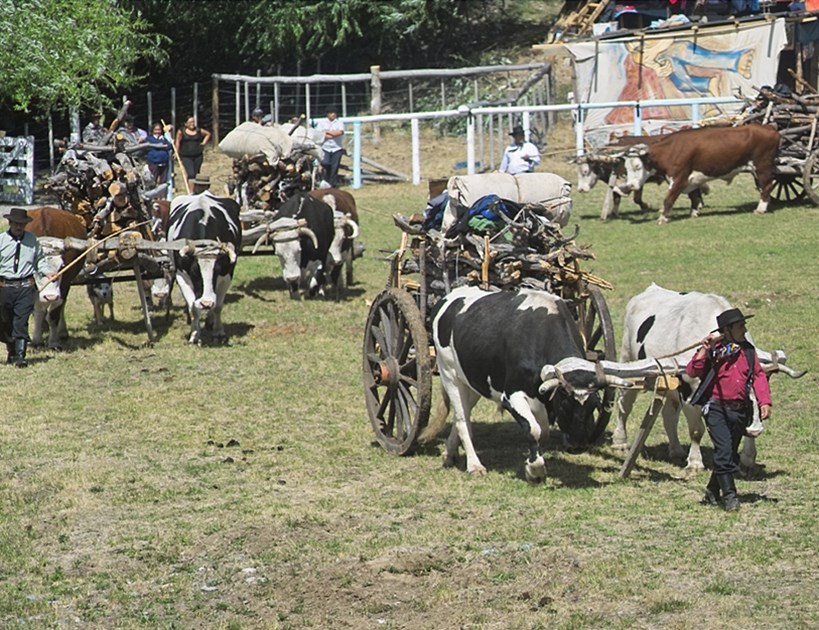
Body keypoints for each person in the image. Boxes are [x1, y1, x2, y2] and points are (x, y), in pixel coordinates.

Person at [686, 308, 772, 512]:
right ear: (727, 330)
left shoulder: (749, 351)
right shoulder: (714, 351)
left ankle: (712, 491)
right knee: (724, 451)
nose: (744, 329)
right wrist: (704, 349)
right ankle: (730, 497)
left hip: (740, 410)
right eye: (740, 326)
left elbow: (758, 375)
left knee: (729, 453)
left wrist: (764, 401)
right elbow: (692, 370)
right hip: (716, 408)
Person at [0, 208, 58, 368]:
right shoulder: (1, 240)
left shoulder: (32, 240)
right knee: (5, 321)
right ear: (10, 223)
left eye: (22, 224)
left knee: (21, 320)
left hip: (25, 287)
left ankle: (20, 357)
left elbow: (39, 260)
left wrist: (48, 273)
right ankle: (11, 350)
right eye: (16, 224)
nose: (19, 227)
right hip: (5, 287)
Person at [175, 115, 211, 193]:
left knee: (196, 173)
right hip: (186, 156)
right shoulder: (181, 131)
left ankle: (196, 190)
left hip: (198, 155)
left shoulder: (198, 130)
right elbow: (177, 142)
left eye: (193, 122)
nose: (192, 123)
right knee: (190, 174)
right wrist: (176, 152)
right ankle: (191, 192)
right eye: (190, 122)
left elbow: (208, 134)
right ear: (186, 124)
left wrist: (203, 143)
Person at [316, 106, 345, 187]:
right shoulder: (321, 123)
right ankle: (325, 180)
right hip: (326, 148)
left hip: (337, 148)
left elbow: (339, 132)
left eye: (334, 113)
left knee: (334, 167)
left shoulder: (339, 123)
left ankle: (332, 184)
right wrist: (332, 133)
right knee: (325, 163)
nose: (333, 115)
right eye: (331, 113)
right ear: (328, 114)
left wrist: (327, 132)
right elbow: (320, 134)